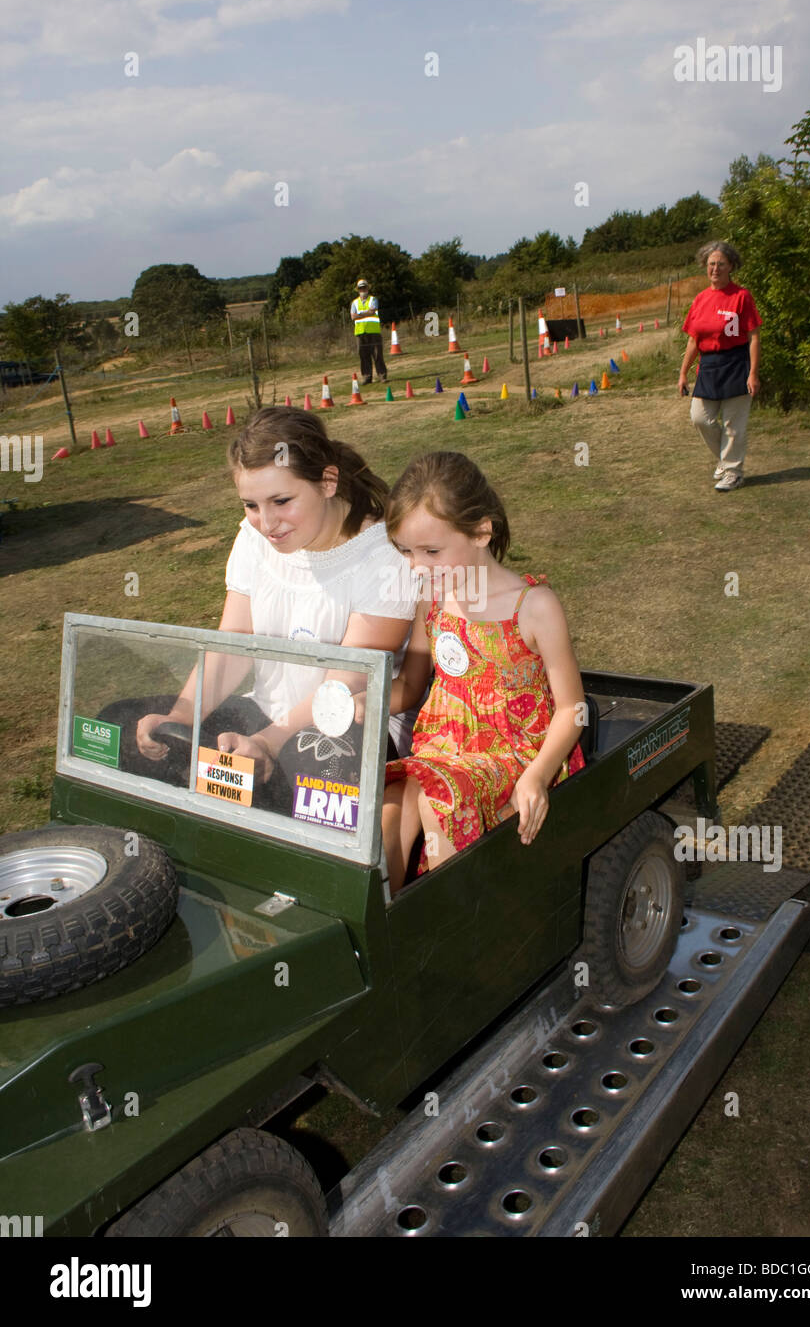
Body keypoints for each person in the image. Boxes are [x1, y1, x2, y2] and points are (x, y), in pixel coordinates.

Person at [126, 408, 416, 807]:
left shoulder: (385, 557)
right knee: (128, 725)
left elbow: (347, 683)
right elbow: (234, 646)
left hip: (351, 726)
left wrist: (269, 742)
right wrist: (182, 716)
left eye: (282, 500)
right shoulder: (254, 537)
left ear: (327, 482)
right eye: (251, 505)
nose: (266, 523)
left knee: (315, 773)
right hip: (265, 713)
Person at [379, 451, 585, 893]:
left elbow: (572, 708)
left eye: (431, 551)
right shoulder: (430, 601)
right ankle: (390, 928)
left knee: (441, 801)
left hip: (518, 753)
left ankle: (459, 923)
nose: (417, 566)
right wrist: (364, 703)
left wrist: (536, 777)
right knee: (391, 803)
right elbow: (412, 687)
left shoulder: (532, 606)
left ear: (480, 531)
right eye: (407, 552)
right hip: (443, 749)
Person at [678, 240, 762, 492]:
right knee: (700, 418)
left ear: (731, 266)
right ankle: (726, 462)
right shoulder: (701, 299)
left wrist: (753, 373)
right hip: (709, 366)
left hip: (736, 363)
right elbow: (694, 340)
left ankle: (733, 472)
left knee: (733, 426)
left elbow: (754, 336)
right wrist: (683, 373)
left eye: (721, 264)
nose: (715, 269)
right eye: (711, 264)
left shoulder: (741, 296)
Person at [350, 278, 388, 386]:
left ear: (367, 288)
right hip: (360, 333)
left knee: (377, 354)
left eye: (364, 287)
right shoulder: (354, 302)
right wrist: (366, 313)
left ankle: (382, 376)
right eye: (361, 288)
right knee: (363, 355)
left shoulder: (373, 299)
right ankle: (367, 377)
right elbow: (353, 316)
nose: (363, 289)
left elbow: (372, 311)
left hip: (374, 331)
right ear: (358, 290)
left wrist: (360, 314)